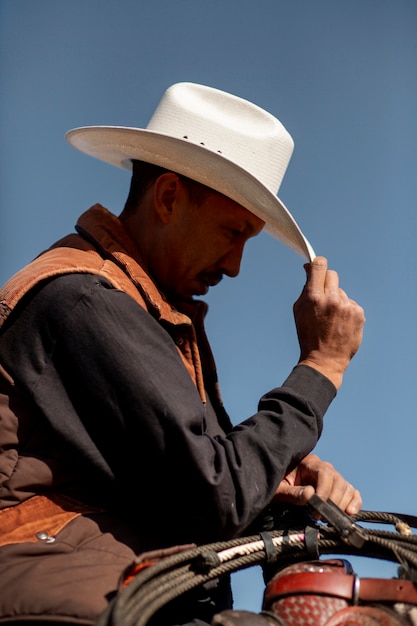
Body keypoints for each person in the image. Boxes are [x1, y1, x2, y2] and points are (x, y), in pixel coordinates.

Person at [0, 82, 365, 626]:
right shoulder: (86, 299)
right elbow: (215, 494)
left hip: (105, 590)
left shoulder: (128, 304)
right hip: (66, 599)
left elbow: (194, 487)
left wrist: (275, 487)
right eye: (232, 231)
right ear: (168, 197)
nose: (237, 264)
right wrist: (320, 368)